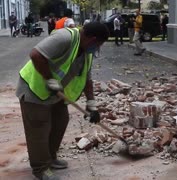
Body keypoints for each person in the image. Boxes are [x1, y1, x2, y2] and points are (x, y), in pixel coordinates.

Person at [16, 22, 109, 180]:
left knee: (61, 121)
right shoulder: (65, 37)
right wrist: (50, 80)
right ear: (92, 39)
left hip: (57, 93)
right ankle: (41, 168)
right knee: (39, 129)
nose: (98, 48)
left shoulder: (87, 51)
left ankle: (51, 158)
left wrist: (92, 105)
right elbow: (35, 54)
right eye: (98, 44)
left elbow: (87, 78)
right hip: (34, 88)